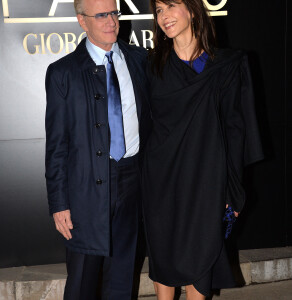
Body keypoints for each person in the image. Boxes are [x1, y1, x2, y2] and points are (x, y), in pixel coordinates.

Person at [142, 0, 264, 299]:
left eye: (170, 6)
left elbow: (235, 132)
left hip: (206, 181)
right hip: (161, 183)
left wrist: (233, 190)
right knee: (164, 259)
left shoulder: (226, 65)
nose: (164, 16)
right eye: (158, 10)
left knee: (200, 258)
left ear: (193, 9)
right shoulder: (150, 65)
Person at [45, 0, 151, 299]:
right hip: (84, 189)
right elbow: (57, 144)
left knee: (122, 276)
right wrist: (58, 202)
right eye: (101, 15)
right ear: (82, 20)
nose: (111, 21)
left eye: (114, 13)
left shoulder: (140, 59)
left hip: (132, 181)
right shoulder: (62, 72)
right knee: (82, 280)